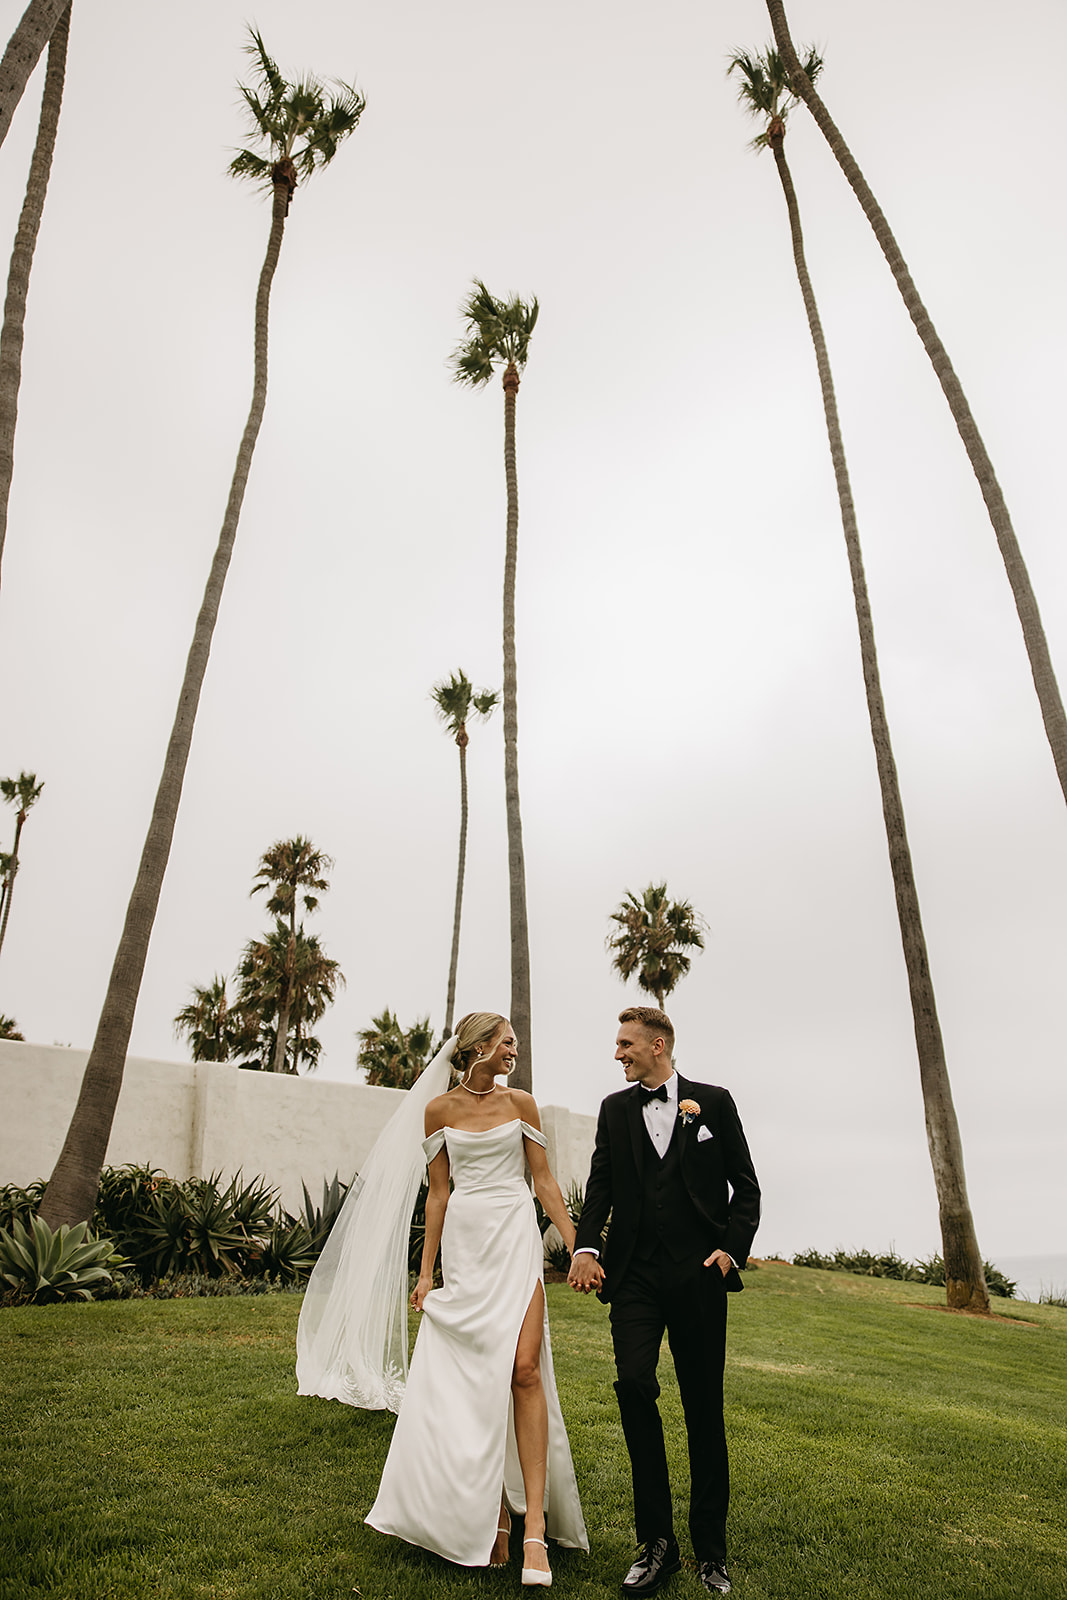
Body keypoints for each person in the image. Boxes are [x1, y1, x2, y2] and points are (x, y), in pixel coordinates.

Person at [297, 1011, 588, 1583]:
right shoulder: (439, 1112)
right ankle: (495, 1515)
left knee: (524, 1369)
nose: (514, 1051)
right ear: (478, 1046)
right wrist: (426, 1273)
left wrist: (581, 1247)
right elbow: (437, 1194)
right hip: (466, 1246)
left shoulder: (521, 1105)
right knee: (479, 1376)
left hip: (513, 1237)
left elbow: (544, 1182)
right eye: (506, 1042)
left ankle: (533, 1531)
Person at [568, 1006, 760, 1597]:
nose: (618, 1053)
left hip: (699, 1277)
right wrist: (584, 1247)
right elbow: (600, 1185)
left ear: (658, 1046)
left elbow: (745, 1188)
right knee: (632, 1384)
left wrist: (730, 1250)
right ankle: (656, 1543)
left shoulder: (714, 1102)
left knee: (704, 1408)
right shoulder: (614, 1110)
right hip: (635, 1278)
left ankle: (710, 1552)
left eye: (626, 1044)